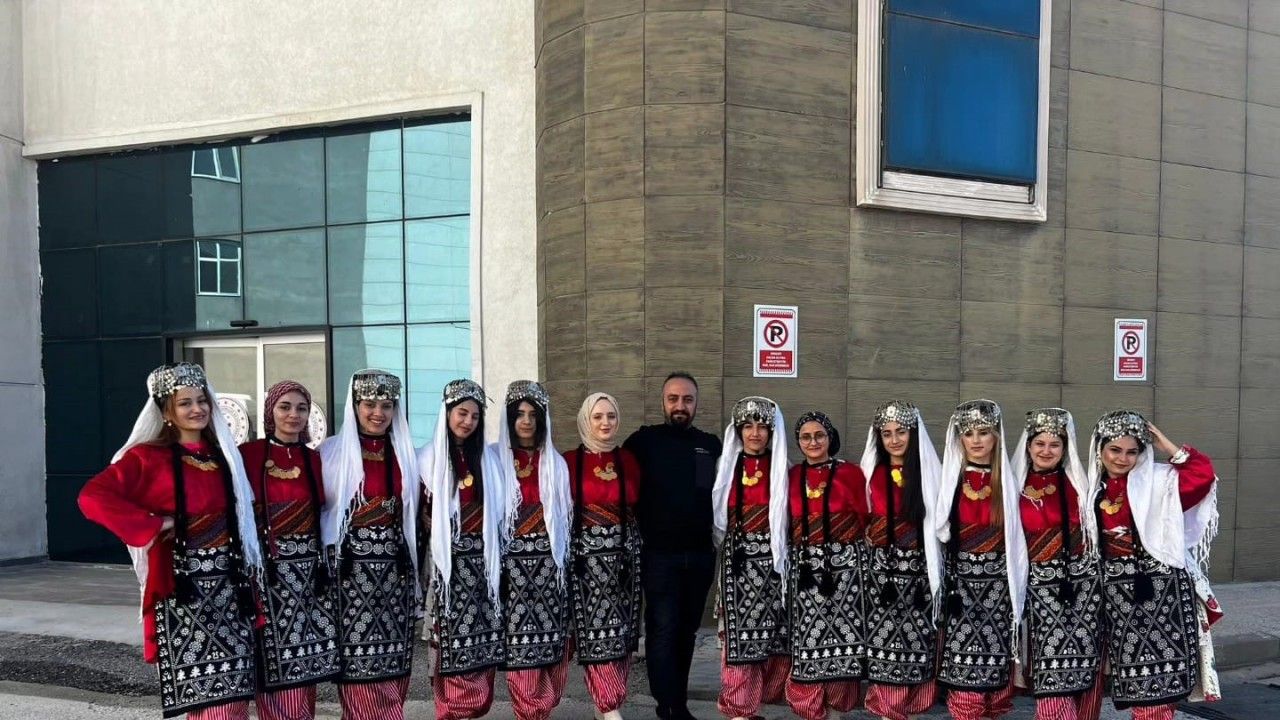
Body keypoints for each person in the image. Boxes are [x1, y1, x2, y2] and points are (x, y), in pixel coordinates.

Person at [79, 362, 264, 718]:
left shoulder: (224, 455)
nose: (197, 409)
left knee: (236, 693)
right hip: (185, 592)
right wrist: (155, 524)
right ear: (166, 412)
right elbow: (92, 497)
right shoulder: (147, 458)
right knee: (210, 697)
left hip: (231, 588)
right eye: (185, 403)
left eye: (202, 400)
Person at [1083, 410, 1223, 719]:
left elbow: (1202, 476)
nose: (1122, 459)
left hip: (1162, 596)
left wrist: (1165, 444)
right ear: (1100, 449)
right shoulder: (1090, 488)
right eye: (1115, 450)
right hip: (1115, 601)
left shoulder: (1160, 482)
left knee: (1158, 687)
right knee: (1133, 682)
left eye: (1132, 451)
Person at [319, 369, 420, 720]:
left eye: (387, 405)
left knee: (393, 656)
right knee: (356, 659)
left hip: (394, 571)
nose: (378, 413)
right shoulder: (331, 452)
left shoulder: (406, 454)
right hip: (349, 575)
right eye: (370, 404)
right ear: (355, 405)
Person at [238, 381, 340, 719]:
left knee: (304, 654)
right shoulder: (248, 455)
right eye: (285, 407)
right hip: (266, 572)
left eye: (301, 408)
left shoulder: (315, 459)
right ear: (270, 411)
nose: (293, 415)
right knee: (270, 655)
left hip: (308, 573)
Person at [624, 372, 721, 720]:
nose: (680, 406)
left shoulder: (710, 444)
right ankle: (666, 706)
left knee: (687, 632)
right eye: (673, 399)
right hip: (659, 556)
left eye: (687, 399)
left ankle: (678, 703)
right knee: (663, 630)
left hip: (700, 556)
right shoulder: (642, 442)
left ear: (696, 403)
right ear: (663, 402)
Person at [419, 378, 515, 720]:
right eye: (462, 413)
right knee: (447, 642)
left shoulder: (488, 460)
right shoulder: (426, 458)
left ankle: (472, 710)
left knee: (482, 642)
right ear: (447, 413)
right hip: (447, 567)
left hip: (483, 566)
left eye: (475, 416)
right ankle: (452, 711)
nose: (468, 421)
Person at [934, 399, 1027, 720]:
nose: (975, 440)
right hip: (959, 592)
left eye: (984, 432)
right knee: (964, 680)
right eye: (968, 433)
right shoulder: (947, 481)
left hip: (999, 593)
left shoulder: (1012, 481)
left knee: (995, 681)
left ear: (996, 436)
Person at [1010, 408, 1102, 720]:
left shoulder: (1080, 485)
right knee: (1051, 670)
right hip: (1038, 592)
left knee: (1084, 666)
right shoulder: (1014, 486)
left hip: (1083, 590)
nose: (1046, 451)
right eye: (1040, 444)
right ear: (1028, 446)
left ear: (1065, 448)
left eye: (1054, 445)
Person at [856, 400, 943, 720]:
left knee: (917, 643)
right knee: (883, 644)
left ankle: (912, 709)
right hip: (881, 576)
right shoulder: (870, 472)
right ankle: (887, 711)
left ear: (913, 434)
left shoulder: (929, 473)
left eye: (901, 432)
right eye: (887, 433)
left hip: (920, 575)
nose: (894, 439)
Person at [493, 380, 574, 720]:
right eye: (519, 414)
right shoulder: (493, 459)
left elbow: (565, 520)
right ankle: (530, 712)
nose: (526, 421)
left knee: (553, 649)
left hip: (550, 571)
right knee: (521, 650)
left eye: (533, 414)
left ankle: (541, 709)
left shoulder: (555, 463)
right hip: (511, 572)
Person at [710, 397, 791, 720]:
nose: (755, 433)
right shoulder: (725, 467)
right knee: (737, 643)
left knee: (772, 642)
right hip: (737, 565)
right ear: (738, 431)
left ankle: (755, 705)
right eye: (748, 426)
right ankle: (739, 711)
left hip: (773, 566)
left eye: (762, 426)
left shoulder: (783, 469)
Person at [564, 392, 644, 720]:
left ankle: (605, 704)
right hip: (586, 561)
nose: (605, 423)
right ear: (586, 420)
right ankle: (609, 705)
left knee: (621, 632)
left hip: (625, 558)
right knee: (595, 631)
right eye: (597, 416)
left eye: (611, 416)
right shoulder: (570, 462)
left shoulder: (629, 461)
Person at [785, 410, 868, 720]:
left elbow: (865, 518)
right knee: (807, 641)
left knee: (843, 642)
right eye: (805, 437)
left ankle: (836, 711)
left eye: (819, 435)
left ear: (830, 438)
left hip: (845, 574)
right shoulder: (792, 476)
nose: (813, 442)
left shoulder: (851, 473)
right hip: (805, 572)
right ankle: (811, 711)